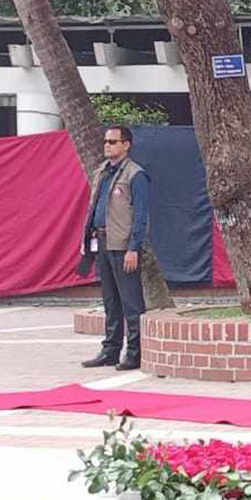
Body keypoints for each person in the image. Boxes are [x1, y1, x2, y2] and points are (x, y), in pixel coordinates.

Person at [80, 126, 150, 371]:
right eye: (106, 141)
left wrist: (134, 247)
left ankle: (135, 352)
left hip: (122, 246)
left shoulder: (135, 174)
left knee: (131, 302)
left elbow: (141, 216)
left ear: (126, 144)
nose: (107, 145)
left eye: (113, 141)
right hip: (101, 242)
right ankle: (110, 350)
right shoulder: (102, 171)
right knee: (110, 301)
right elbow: (95, 207)